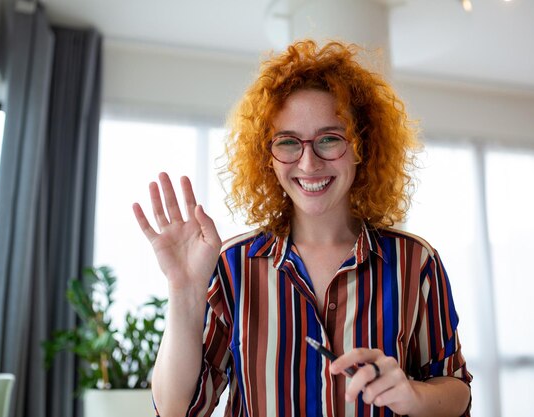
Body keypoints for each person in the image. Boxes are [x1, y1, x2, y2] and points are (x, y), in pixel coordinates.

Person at [133, 39, 472, 417]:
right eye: (288, 142)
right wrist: (183, 291)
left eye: (329, 139)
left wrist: (412, 394)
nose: (308, 163)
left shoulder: (415, 262)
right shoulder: (232, 264)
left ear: (361, 147)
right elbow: (175, 408)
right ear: (268, 157)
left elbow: (456, 390)